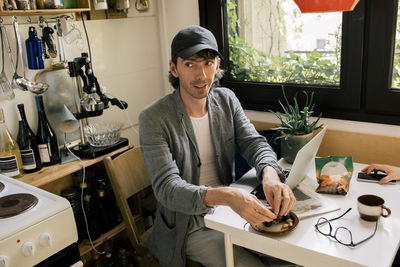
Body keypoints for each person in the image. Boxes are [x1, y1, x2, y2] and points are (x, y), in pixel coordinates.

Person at [139, 25, 296, 267]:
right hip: (188, 226)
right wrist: (228, 196)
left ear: (217, 65)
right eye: (190, 64)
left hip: (229, 213)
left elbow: (254, 143)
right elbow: (167, 189)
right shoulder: (154, 118)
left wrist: (270, 175)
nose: (201, 75)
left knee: (289, 257)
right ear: (174, 68)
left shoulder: (226, 99)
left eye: (208, 63)